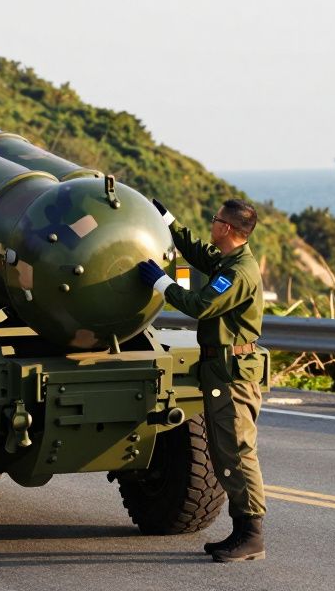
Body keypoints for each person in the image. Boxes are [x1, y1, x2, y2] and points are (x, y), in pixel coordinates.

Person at [137, 198, 267, 563]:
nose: (212, 224)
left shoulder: (238, 273)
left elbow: (200, 305)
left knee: (238, 453)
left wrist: (162, 283)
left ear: (226, 228)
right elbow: (198, 253)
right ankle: (242, 532)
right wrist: (170, 223)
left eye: (215, 220)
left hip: (232, 374)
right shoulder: (229, 261)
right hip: (221, 370)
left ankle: (252, 535)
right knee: (224, 452)